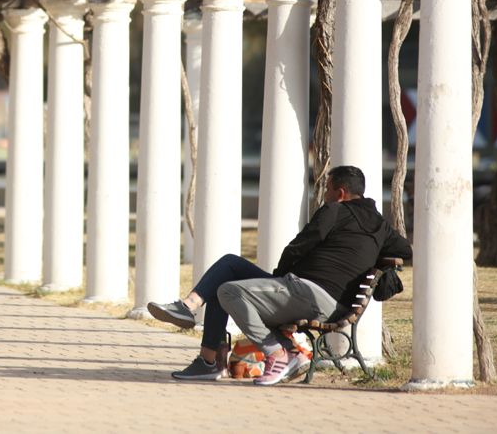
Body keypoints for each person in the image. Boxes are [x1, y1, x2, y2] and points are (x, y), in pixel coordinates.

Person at [148, 165, 412, 385]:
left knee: (228, 290)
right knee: (228, 267)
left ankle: (280, 353)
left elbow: (299, 246)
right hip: (323, 299)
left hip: (308, 293)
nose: (324, 196)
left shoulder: (334, 210)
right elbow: (403, 250)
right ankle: (200, 342)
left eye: (328, 190)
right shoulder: (380, 226)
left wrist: (279, 275)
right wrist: (370, 254)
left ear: (340, 193)